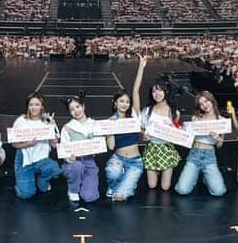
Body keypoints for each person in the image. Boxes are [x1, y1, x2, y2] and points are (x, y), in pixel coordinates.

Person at [104, 55, 146, 201]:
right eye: (121, 101)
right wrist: (109, 129)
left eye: (127, 102)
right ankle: (115, 183)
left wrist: (141, 65)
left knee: (119, 197)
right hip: (118, 159)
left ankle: (127, 184)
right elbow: (111, 147)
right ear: (115, 103)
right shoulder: (112, 120)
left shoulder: (134, 116)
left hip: (135, 162)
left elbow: (136, 90)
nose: (125, 104)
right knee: (113, 173)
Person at [174, 90, 226, 196]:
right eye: (201, 104)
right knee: (182, 190)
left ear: (212, 100)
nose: (204, 105)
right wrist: (184, 130)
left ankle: (207, 179)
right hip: (195, 154)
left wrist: (217, 139)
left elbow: (219, 145)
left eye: (206, 101)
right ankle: (193, 177)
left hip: (209, 156)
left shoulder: (222, 121)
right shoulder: (195, 118)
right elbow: (189, 139)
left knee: (219, 192)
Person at [12, 92, 61, 199]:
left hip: (41, 160)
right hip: (25, 160)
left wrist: (51, 128)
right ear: (28, 106)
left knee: (55, 169)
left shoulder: (47, 120)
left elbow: (54, 145)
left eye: (37, 104)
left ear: (42, 106)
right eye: (31, 105)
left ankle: (41, 179)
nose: (34, 107)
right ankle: (23, 181)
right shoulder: (21, 121)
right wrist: (27, 144)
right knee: (26, 194)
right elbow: (14, 144)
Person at [140, 78, 181, 191]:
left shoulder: (174, 113)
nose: (157, 94)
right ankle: (156, 171)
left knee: (165, 187)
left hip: (166, 149)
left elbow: (177, 131)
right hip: (152, 148)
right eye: (154, 91)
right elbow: (142, 129)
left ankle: (165, 169)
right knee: (152, 185)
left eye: (160, 90)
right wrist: (144, 134)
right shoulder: (147, 111)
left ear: (166, 91)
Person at [59, 92, 99, 203]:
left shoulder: (94, 124)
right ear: (69, 112)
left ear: (83, 106)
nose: (76, 111)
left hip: (89, 161)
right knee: (77, 167)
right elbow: (63, 148)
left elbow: (99, 145)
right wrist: (68, 158)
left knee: (89, 197)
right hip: (74, 163)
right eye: (72, 109)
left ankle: (83, 181)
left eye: (78, 107)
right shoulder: (67, 127)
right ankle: (73, 189)